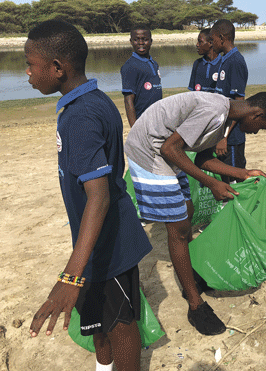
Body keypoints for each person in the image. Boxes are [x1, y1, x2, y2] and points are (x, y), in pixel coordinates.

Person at [25, 20, 153, 371]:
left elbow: (99, 197)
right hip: (92, 240)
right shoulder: (93, 100)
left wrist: (69, 277)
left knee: (121, 326)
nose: (27, 73)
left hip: (107, 241)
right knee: (98, 319)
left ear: (57, 68)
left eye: (31, 64)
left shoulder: (80, 117)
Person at [124, 91, 266, 335]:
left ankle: (189, 277)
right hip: (148, 151)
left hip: (166, 151)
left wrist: (243, 173)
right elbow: (169, 148)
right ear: (257, 114)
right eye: (261, 127)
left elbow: (203, 159)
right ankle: (195, 306)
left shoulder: (224, 119)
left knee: (187, 211)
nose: (256, 132)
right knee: (178, 228)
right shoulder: (214, 111)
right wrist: (212, 183)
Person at [210, 19, 249, 183]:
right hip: (221, 134)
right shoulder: (224, 59)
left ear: (221, 38)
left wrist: (224, 137)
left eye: (212, 40)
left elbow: (238, 104)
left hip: (231, 138)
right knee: (224, 180)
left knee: (235, 183)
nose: (212, 44)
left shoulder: (236, 62)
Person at [121, 25, 162, 127]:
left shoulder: (154, 63)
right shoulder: (130, 66)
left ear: (151, 41)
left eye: (145, 39)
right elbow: (128, 100)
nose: (141, 43)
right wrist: (135, 129)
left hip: (157, 118)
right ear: (131, 41)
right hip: (142, 121)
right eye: (136, 40)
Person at [188, 28, 221, 93]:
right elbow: (192, 93)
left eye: (200, 42)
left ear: (210, 43)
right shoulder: (197, 64)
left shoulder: (223, 64)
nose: (197, 44)